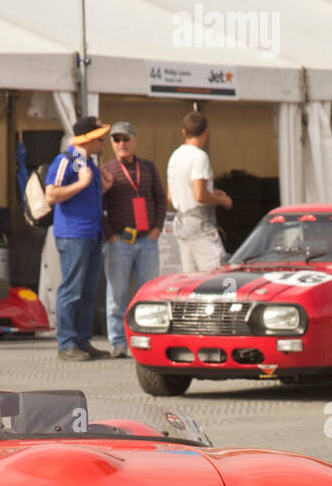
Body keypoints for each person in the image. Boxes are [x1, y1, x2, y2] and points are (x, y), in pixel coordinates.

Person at [46, 115, 111, 362]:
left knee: (87, 290)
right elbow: (51, 194)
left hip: (91, 233)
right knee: (72, 290)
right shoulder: (69, 161)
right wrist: (83, 184)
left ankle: (82, 341)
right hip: (74, 234)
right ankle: (67, 344)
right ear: (89, 138)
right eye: (100, 137)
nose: (103, 142)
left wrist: (101, 187)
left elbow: (82, 196)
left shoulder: (87, 163)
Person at [101, 120, 166, 359]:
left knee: (148, 292)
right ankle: (117, 341)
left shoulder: (147, 167)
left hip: (147, 240)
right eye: (116, 139)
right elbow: (99, 207)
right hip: (120, 241)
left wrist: (157, 228)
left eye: (125, 139)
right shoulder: (107, 170)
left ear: (135, 141)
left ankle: (148, 338)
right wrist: (110, 235)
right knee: (116, 293)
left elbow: (160, 198)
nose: (121, 144)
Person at [167, 112, 231, 273]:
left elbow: (170, 195)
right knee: (218, 277)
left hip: (182, 224)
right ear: (206, 132)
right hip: (200, 226)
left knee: (191, 281)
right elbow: (200, 195)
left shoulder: (175, 156)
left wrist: (211, 192)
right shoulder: (200, 157)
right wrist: (222, 200)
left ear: (184, 132)